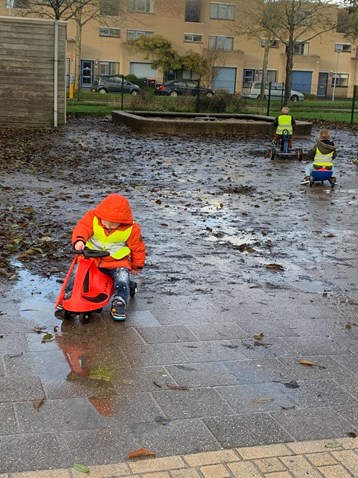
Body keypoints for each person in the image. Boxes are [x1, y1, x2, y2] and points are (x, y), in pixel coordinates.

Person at [69, 193, 145, 320]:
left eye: (113, 224)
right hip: (91, 258)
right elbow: (82, 228)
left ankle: (119, 301)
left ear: (122, 221)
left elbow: (138, 247)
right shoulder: (92, 218)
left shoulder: (131, 229)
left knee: (122, 278)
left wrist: (137, 265)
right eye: (106, 222)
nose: (109, 226)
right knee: (77, 274)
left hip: (116, 261)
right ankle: (70, 293)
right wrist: (79, 241)